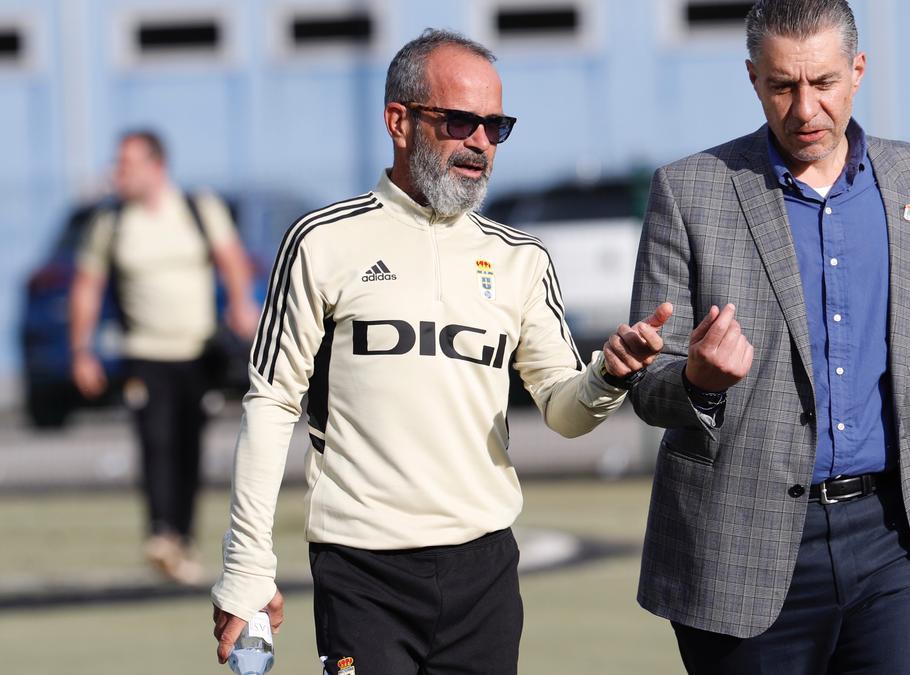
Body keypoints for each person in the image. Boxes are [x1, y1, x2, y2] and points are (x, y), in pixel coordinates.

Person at [209, 28, 671, 675]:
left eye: (495, 126)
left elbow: (563, 409)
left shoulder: (521, 260)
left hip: (482, 570)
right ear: (399, 121)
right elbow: (269, 403)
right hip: (360, 568)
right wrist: (246, 567)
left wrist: (607, 375)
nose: (480, 142)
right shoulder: (321, 242)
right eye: (460, 122)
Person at [627, 1, 910, 673]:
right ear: (753, 79)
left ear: (858, 71)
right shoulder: (689, 193)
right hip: (740, 550)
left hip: (904, 544)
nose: (805, 108)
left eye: (824, 83)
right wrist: (697, 380)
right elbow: (647, 383)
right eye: (783, 85)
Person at [69, 130, 259, 585]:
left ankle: (183, 541)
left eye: (127, 163)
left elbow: (231, 258)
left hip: (195, 350)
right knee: (154, 441)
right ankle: (160, 533)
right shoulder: (110, 222)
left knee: (188, 444)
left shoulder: (197, 208)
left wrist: (240, 304)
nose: (119, 173)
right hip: (143, 352)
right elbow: (87, 288)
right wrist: (82, 350)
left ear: (156, 166)